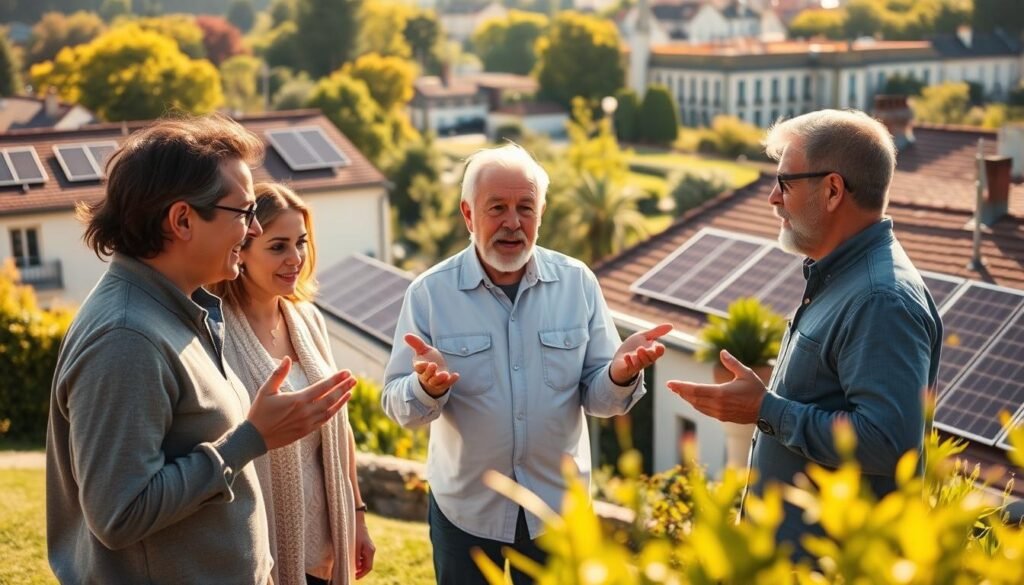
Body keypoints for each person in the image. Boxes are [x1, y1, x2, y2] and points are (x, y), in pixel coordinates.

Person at [46, 115, 356, 584]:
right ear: (183, 220)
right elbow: (120, 514)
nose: (252, 231)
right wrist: (250, 439)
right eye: (244, 213)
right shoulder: (126, 337)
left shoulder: (176, 310)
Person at [381, 143, 673, 584]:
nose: (513, 222)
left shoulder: (578, 283)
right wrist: (427, 389)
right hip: (466, 512)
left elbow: (601, 399)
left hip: (557, 511)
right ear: (468, 214)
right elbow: (396, 403)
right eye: (496, 207)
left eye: (525, 207)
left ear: (541, 213)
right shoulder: (429, 294)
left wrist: (619, 374)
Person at [667, 109, 943, 555]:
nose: (773, 198)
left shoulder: (880, 300)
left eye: (785, 183)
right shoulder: (841, 280)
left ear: (832, 190)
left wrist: (766, 409)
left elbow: (887, 442)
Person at [210, 183, 375, 585]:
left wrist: (357, 515)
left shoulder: (308, 319)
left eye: (300, 243)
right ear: (242, 251)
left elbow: (341, 428)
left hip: (327, 539)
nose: (295, 259)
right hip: (259, 541)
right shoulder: (214, 332)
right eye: (278, 246)